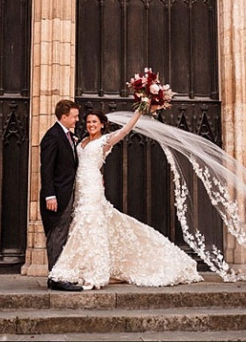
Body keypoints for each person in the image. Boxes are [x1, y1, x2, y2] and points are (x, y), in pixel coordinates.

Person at [49, 108, 203, 290]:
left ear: (102, 125)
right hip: (79, 187)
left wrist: (139, 111)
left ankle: (92, 271)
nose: (91, 125)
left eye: (95, 122)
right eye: (89, 122)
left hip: (92, 187)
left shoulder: (104, 142)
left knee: (88, 223)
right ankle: (85, 267)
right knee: (85, 224)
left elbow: (125, 131)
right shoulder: (80, 141)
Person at [39, 99, 83, 291]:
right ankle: (55, 278)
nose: (77, 120)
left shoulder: (67, 136)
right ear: (64, 117)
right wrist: (50, 195)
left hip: (66, 193)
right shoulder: (52, 136)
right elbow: (46, 169)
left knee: (63, 234)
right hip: (57, 195)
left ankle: (59, 274)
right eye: (74, 116)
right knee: (57, 235)